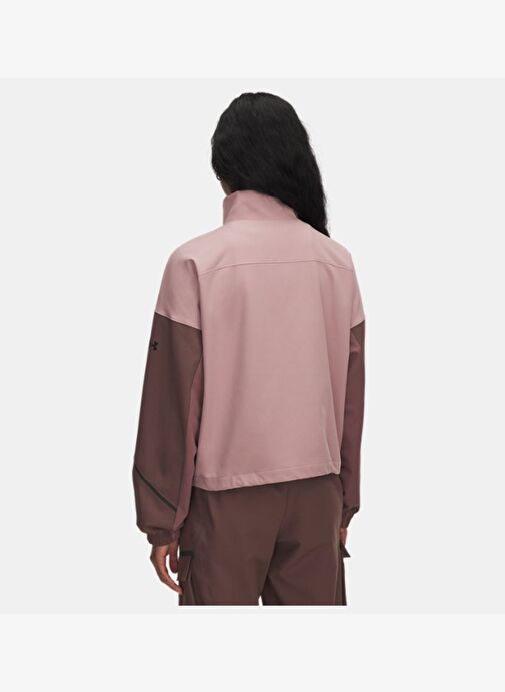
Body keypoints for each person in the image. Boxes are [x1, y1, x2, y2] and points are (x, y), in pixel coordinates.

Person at [132, 92, 365, 606]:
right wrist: (345, 502)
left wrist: (161, 520)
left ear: (224, 170)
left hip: (225, 503)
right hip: (317, 497)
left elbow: (173, 403)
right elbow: (351, 400)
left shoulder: (194, 263)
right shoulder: (337, 262)